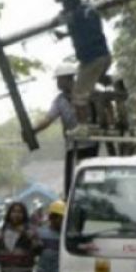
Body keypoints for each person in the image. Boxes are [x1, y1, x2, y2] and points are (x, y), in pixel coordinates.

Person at [33, 60, 101, 195]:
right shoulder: (59, 100)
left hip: (90, 144)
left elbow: (102, 110)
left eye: (59, 80)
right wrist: (34, 130)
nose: (57, 83)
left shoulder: (88, 92)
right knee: (70, 184)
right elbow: (48, 119)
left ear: (68, 79)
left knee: (88, 179)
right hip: (72, 145)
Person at [54, 0, 112, 123]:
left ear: (70, 2)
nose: (63, 6)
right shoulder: (89, 10)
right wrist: (65, 34)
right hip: (105, 56)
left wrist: (60, 16)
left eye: (64, 3)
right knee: (90, 83)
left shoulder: (75, 15)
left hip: (92, 60)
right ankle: (107, 82)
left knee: (78, 96)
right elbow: (85, 29)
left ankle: (83, 127)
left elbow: (60, 19)